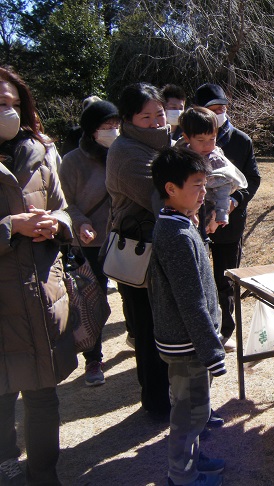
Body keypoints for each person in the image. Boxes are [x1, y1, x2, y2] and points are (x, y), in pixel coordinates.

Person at [0, 66, 77, 485]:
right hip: (4, 307)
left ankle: (44, 475)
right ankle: (7, 465)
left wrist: (57, 224)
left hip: (41, 295)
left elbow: (63, 206)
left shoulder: (38, 154)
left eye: (13, 103)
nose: (7, 112)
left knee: (44, 398)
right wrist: (10, 227)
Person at [150, 146, 226, 486]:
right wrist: (211, 350)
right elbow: (191, 301)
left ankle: (193, 459)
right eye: (196, 184)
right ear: (171, 189)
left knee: (196, 408)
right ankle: (182, 475)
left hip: (189, 340)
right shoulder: (176, 235)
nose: (203, 191)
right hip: (188, 344)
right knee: (189, 413)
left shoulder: (177, 222)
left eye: (204, 183)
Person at [105, 82, 172, 419]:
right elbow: (163, 197)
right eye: (146, 116)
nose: (156, 121)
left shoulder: (160, 146)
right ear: (129, 119)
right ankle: (157, 402)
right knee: (148, 329)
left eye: (159, 113)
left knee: (165, 325)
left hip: (160, 252)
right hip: (140, 256)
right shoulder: (126, 152)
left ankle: (166, 393)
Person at [194, 83, 261, 351]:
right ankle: (202, 327)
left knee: (225, 276)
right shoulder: (184, 141)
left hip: (230, 221)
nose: (219, 114)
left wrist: (235, 201)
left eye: (222, 109)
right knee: (198, 277)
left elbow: (252, 178)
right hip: (196, 220)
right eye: (213, 109)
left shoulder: (240, 140)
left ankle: (226, 329)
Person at [59, 99, 120, 386]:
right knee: (93, 302)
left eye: (116, 125)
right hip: (91, 242)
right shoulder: (72, 161)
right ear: (91, 130)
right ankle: (93, 360)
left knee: (134, 297)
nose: (113, 131)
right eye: (106, 126)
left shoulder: (123, 153)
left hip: (124, 237)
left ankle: (136, 335)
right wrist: (81, 222)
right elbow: (64, 204)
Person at [179, 106, 248, 231]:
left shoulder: (215, 159)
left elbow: (224, 187)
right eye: (200, 140)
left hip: (208, 211)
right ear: (187, 138)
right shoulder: (179, 154)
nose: (207, 145)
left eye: (212, 139)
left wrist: (221, 213)